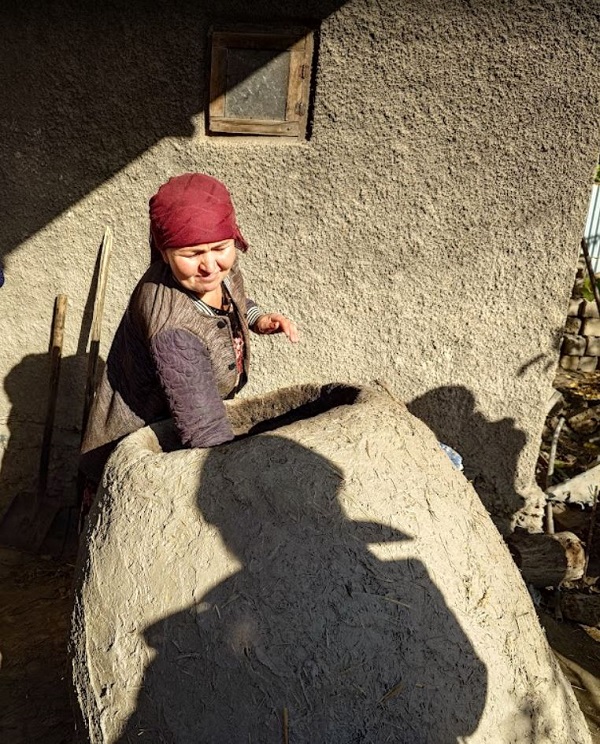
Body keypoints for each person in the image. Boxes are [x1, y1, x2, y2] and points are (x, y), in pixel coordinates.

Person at [80, 173, 297, 488]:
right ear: (165, 252)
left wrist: (257, 318)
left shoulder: (215, 271)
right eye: (193, 254)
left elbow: (232, 299)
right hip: (144, 441)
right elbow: (204, 428)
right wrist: (235, 480)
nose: (210, 265)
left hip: (185, 413)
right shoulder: (171, 325)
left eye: (220, 247)